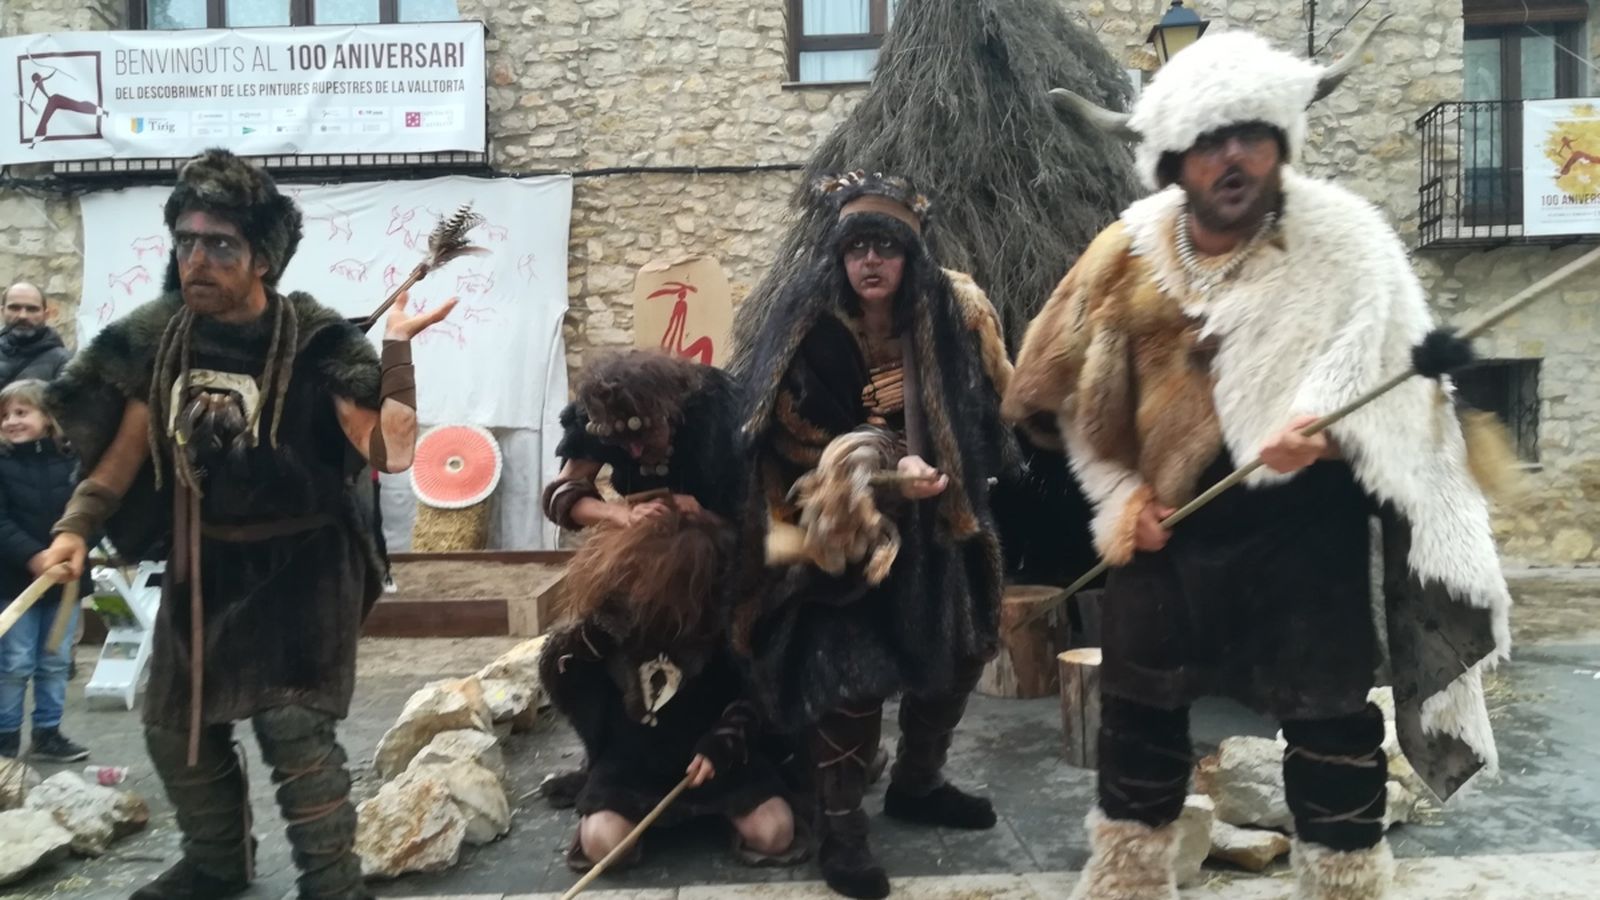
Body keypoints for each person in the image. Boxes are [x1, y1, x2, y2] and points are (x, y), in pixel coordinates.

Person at [1005, 26, 1511, 900]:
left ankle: (1344, 886)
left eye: (1250, 133)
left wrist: (1329, 429)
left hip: (1305, 542)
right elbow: (1068, 411)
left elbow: (1413, 405)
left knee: (1333, 735)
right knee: (1137, 730)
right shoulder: (1125, 255)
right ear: (1172, 157)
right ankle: (1127, 885)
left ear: (1283, 139)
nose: (1231, 156)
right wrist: (1121, 498)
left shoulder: (1350, 246)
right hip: (1169, 540)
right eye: (1208, 140)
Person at [35, 148, 455, 900]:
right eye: (186, 242)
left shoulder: (320, 340)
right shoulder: (162, 339)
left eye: (219, 244)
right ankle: (216, 864)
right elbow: (120, 461)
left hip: (307, 563)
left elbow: (390, 448)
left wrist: (395, 351)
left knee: (293, 728)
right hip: (209, 565)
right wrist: (73, 529)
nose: (197, 259)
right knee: (174, 729)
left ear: (262, 257)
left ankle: (333, 883)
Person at [728, 172, 1015, 899]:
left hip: (935, 519)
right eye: (857, 247)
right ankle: (843, 825)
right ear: (840, 256)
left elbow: (981, 408)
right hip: (832, 527)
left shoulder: (949, 314)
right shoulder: (809, 322)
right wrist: (877, 460)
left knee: (959, 649)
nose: (871, 262)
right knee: (848, 674)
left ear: (910, 256)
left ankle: (919, 783)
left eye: (886, 247)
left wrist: (951, 470)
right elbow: (788, 433)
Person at [536, 350, 806, 874]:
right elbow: (565, 496)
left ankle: (752, 760)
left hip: (726, 560)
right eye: (622, 441)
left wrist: (706, 519)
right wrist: (619, 511)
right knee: (631, 664)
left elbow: (780, 516)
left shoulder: (726, 417)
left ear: (674, 410)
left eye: (647, 434)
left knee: (738, 658)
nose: (634, 450)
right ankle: (616, 761)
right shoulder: (603, 416)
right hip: (642, 565)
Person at [0, 379, 91, 761]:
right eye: (4, 415)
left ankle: (48, 732)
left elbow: (90, 513)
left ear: (49, 418)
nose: (11, 421)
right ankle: (5, 735)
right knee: (15, 661)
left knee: (54, 660)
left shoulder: (74, 464)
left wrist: (79, 546)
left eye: (22, 413)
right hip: (13, 581)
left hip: (65, 582)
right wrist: (34, 556)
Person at [0, 282, 71, 388]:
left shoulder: (63, 362)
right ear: (2, 311)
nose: (22, 316)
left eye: (32, 309)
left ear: (46, 315)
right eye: (14, 308)